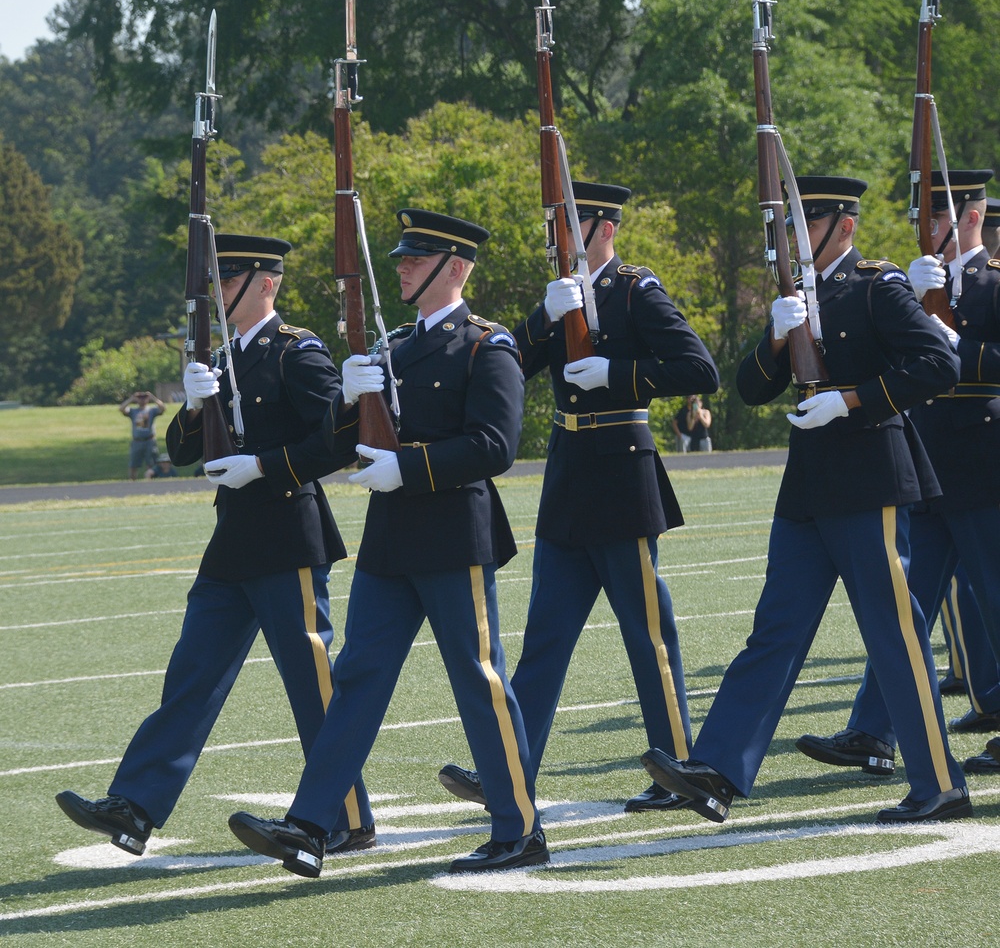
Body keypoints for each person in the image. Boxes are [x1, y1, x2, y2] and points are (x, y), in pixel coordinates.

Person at [227, 210, 548, 877]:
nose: (401, 265)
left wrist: (410, 466)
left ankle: (520, 828)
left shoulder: (488, 346)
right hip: (391, 540)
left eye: (417, 257)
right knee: (358, 677)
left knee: (480, 681)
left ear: (454, 269)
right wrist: (347, 400)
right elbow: (344, 441)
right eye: (401, 256)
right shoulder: (394, 347)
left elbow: (496, 445)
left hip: (455, 532)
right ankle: (313, 824)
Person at [642, 175, 971, 824]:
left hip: (871, 478)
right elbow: (748, 389)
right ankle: (720, 768)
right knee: (777, 629)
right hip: (809, 487)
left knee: (893, 635)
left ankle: (940, 783)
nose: (793, 238)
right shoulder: (797, 297)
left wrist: (850, 399)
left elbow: (938, 363)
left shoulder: (878, 287)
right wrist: (772, 337)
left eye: (804, 225)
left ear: (841, 227)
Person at [56, 234, 373, 856]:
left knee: (312, 686)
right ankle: (136, 806)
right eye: (218, 282)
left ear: (266, 284)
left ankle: (347, 817)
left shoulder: (295, 353)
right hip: (232, 544)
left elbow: (339, 440)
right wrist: (196, 406)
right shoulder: (223, 359)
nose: (220, 293)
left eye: (230, 282)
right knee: (191, 677)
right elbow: (179, 452)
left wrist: (263, 466)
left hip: (287, 537)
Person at [436, 182, 720, 814]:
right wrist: (542, 316)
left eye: (570, 227)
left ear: (604, 230)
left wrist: (621, 374)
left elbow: (701, 369)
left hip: (623, 473)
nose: (558, 240)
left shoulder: (635, 291)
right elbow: (504, 365)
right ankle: (511, 771)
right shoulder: (560, 295)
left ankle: (678, 765)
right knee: (544, 639)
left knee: (648, 634)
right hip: (569, 479)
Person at [796, 170, 1000, 779]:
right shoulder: (902, 283)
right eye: (921, 217)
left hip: (985, 468)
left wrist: (952, 341)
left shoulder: (992, 283)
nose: (924, 229)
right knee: (906, 610)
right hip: (930, 469)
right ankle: (872, 731)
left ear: (970, 219)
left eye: (935, 218)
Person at [120, 390, 165, 480]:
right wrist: (132, 399)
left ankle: (150, 481)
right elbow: (122, 409)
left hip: (149, 440)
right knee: (133, 464)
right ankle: (132, 482)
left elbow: (162, 408)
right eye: (140, 398)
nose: (142, 400)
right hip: (137, 441)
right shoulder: (133, 411)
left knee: (151, 463)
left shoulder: (151, 410)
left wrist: (152, 397)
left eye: (144, 398)